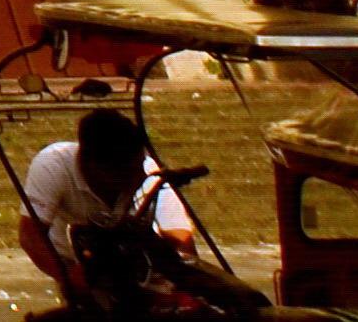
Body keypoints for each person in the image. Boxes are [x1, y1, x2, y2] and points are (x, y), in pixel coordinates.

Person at [20, 106, 259, 322]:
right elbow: (31, 236)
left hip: (138, 267)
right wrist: (72, 278)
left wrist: (185, 284)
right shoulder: (53, 164)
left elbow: (179, 237)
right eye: (126, 174)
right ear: (91, 164)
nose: (136, 179)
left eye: (138, 169)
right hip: (75, 264)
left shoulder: (146, 172)